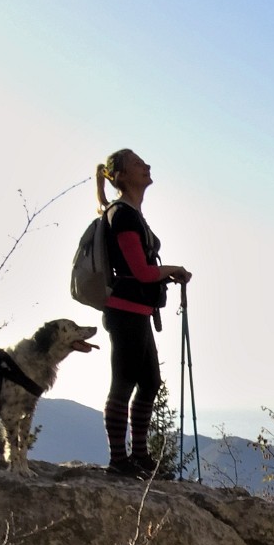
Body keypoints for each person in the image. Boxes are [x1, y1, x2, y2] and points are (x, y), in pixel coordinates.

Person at [94, 149, 191, 478]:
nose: (146, 165)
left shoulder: (127, 212)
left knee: (149, 382)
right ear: (122, 176)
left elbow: (143, 270)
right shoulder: (122, 215)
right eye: (137, 163)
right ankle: (119, 461)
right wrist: (173, 269)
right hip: (125, 312)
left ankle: (138, 457)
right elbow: (141, 271)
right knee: (124, 383)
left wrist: (166, 273)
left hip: (136, 312)